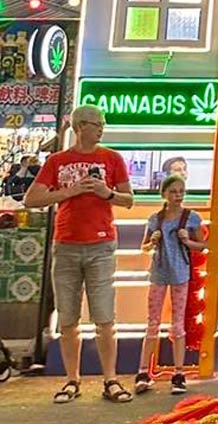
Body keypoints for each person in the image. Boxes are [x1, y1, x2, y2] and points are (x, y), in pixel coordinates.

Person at [23, 105, 135, 405]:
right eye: (97, 124)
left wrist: (106, 192)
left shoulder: (112, 158)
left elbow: (128, 199)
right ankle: (72, 380)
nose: (101, 129)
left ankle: (110, 379)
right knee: (69, 318)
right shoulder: (58, 161)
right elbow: (31, 199)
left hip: (101, 245)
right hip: (66, 245)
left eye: (103, 124)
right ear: (80, 126)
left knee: (104, 317)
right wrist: (69, 192)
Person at [135, 175, 207, 396]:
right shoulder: (155, 219)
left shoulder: (191, 218)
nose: (178, 196)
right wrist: (152, 242)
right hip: (159, 272)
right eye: (174, 191)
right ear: (164, 194)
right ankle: (144, 371)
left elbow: (202, 246)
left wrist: (188, 241)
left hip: (180, 273)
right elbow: (144, 246)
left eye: (181, 192)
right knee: (152, 322)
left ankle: (178, 372)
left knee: (177, 324)